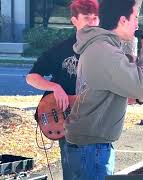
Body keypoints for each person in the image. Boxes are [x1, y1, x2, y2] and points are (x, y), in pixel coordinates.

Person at [63, 0, 143, 179]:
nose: (137, 23)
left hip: (92, 143)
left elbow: (122, 89)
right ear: (122, 20)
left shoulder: (102, 47)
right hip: (92, 146)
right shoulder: (105, 51)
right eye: (135, 17)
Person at [25, 0, 99, 179]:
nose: (92, 22)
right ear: (74, 20)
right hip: (66, 121)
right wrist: (55, 87)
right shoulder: (61, 49)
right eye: (86, 18)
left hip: (96, 122)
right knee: (72, 173)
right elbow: (31, 77)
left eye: (95, 18)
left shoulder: (107, 50)